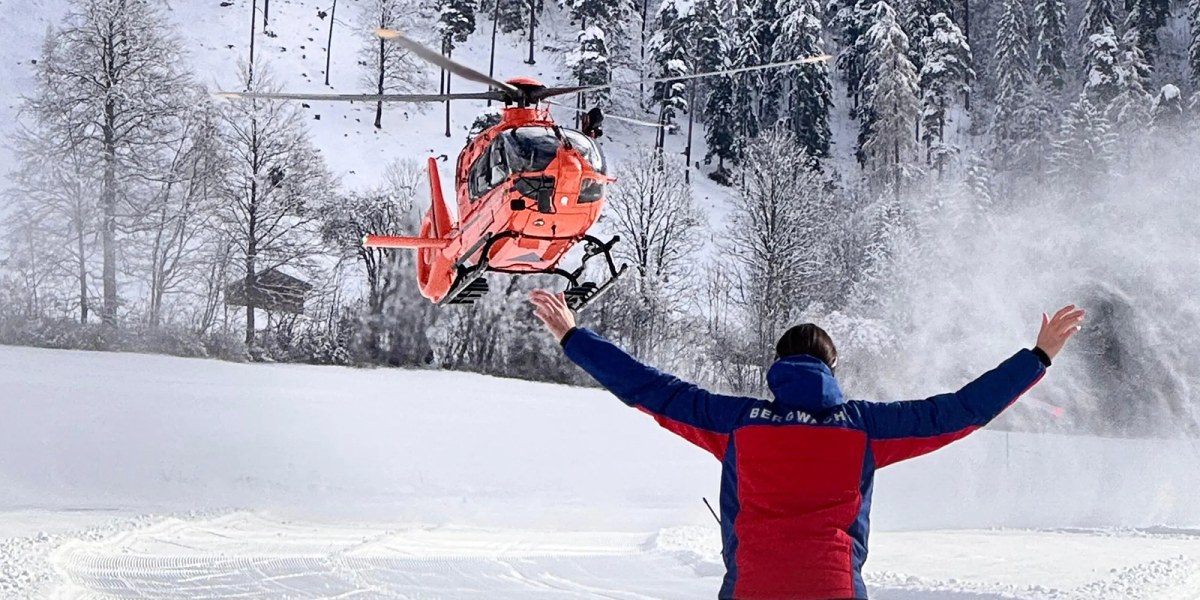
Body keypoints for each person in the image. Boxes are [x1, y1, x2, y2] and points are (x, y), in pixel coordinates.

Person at [529, 290, 1085, 600]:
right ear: (833, 367)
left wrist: (575, 337)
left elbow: (649, 387)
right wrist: (1036, 357)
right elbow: (960, 410)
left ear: (777, 366)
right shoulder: (863, 427)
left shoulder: (737, 422)